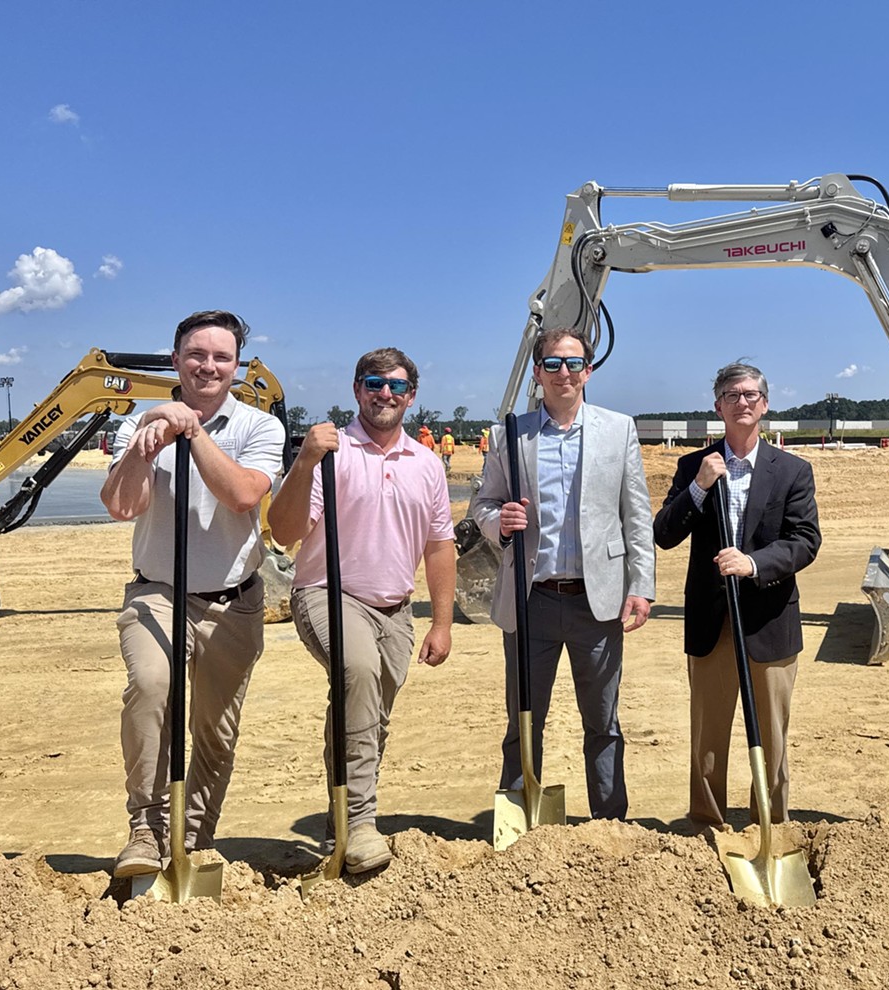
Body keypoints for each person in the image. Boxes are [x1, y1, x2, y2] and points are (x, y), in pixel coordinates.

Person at [101, 310, 286, 877]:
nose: (208, 366)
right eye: (197, 355)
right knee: (152, 687)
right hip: (158, 592)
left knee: (216, 727)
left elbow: (241, 496)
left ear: (238, 367)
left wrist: (192, 431)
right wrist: (145, 444)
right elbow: (121, 506)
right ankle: (147, 829)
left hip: (235, 599)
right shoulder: (138, 422)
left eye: (221, 357)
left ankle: (196, 836)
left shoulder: (261, 427)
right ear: (176, 358)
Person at [269, 348, 454, 873]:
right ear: (357, 390)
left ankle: (339, 823)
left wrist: (441, 622)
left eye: (396, 386)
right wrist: (304, 460)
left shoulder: (427, 464)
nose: (385, 394)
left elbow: (439, 546)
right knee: (359, 672)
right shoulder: (331, 453)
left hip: (396, 609)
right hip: (327, 594)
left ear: (412, 396)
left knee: (370, 713)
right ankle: (363, 823)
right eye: (374, 383)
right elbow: (284, 533)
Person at [471, 327, 656, 820]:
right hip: (530, 603)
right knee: (524, 721)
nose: (564, 373)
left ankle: (610, 822)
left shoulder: (618, 430)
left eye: (573, 364)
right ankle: (520, 817)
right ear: (538, 373)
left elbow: (636, 515)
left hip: (598, 601)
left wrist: (642, 586)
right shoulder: (509, 435)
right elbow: (482, 505)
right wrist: (498, 522)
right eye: (552, 364)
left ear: (588, 371)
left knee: (603, 722)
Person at [653, 362, 820, 829]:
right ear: (718, 406)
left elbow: (806, 540)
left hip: (770, 621)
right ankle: (706, 823)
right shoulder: (694, 466)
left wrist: (755, 564)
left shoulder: (792, 470)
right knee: (708, 735)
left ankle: (771, 824)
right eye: (731, 394)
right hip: (711, 622)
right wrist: (699, 487)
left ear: (764, 405)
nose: (742, 402)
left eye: (750, 394)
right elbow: (664, 534)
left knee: (771, 736)